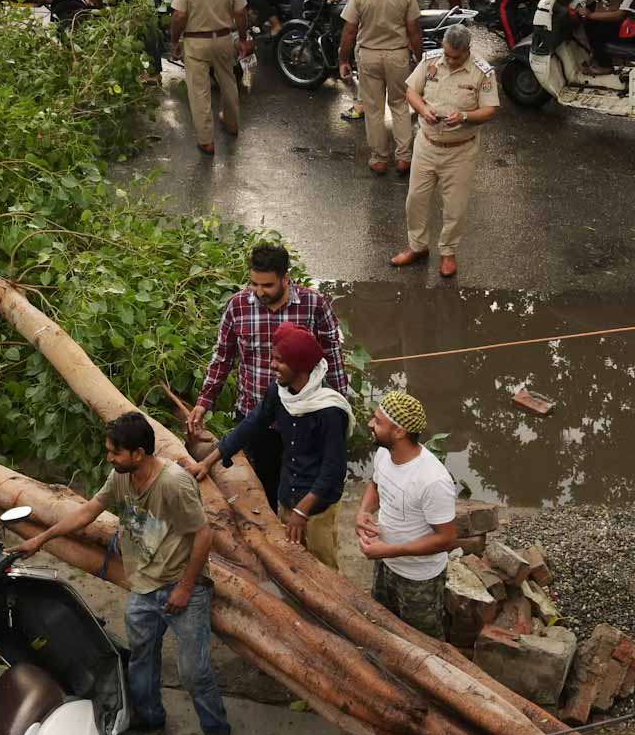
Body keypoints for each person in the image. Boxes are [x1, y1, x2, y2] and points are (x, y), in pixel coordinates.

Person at [13, 412, 229, 735]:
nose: (109, 458)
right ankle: (149, 716)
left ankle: (216, 730)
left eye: (115, 452)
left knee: (193, 670)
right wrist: (41, 538)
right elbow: (88, 512)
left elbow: (204, 535)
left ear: (139, 453)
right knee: (142, 658)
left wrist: (186, 589)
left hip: (179, 587)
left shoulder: (174, 484)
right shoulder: (121, 477)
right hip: (144, 587)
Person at [188, 242, 350, 512]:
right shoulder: (238, 307)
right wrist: (204, 402)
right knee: (264, 485)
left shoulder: (314, 304)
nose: (259, 292)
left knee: (307, 482)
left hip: (303, 415)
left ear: (286, 278)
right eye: (254, 284)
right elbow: (223, 358)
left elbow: (332, 357)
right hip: (257, 413)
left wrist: (339, 407)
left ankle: (299, 522)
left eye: (267, 286)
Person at [188, 322, 352, 568]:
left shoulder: (328, 411)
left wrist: (302, 512)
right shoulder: (280, 392)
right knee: (293, 562)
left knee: (323, 566)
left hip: (318, 508)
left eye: (278, 360)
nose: (271, 365)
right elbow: (249, 426)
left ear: (298, 366)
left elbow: (333, 470)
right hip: (288, 496)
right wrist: (207, 462)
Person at [391, 24, 500, 279]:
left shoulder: (482, 71)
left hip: (460, 150)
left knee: (455, 206)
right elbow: (410, 91)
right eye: (447, 54)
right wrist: (422, 110)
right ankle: (417, 246)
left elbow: (490, 110)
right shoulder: (430, 60)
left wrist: (464, 116)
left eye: (456, 57)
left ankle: (448, 252)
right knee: (415, 199)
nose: (450, 60)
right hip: (427, 144)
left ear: (467, 51)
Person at [354, 392, 457, 639]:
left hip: (418, 578)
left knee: (423, 641)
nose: (370, 424)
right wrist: (364, 512)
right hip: (385, 564)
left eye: (378, 421)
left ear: (399, 431)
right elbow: (376, 485)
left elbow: (446, 540)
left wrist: (387, 550)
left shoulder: (433, 480)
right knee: (382, 623)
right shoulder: (384, 454)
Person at [339, 0, 423, 176]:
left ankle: (379, 159)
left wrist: (343, 59)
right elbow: (414, 30)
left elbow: (350, 30)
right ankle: (405, 158)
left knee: (373, 108)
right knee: (399, 105)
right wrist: (421, 58)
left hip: (368, 56)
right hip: (398, 56)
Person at [170, 0, 253, 155]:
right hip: (224, 38)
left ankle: (206, 140)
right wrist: (243, 39)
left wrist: (174, 40)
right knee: (228, 82)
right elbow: (241, 12)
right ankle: (232, 123)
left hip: (196, 42)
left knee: (199, 91)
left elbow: (179, 16)